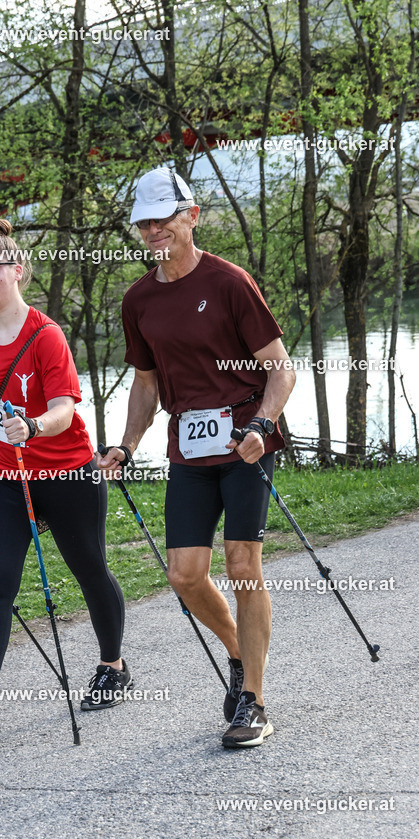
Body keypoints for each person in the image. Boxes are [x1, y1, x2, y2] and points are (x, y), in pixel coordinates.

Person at [98, 167, 296, 749]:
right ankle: (239, 653)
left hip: (244, 441)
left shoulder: (230, 281)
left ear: (192, 217)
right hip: (188, 447)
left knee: (242, 565)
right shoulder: (139, 300)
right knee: (184, 574)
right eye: (145, 224)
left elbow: (280, 368)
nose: (155, 231)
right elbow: (145, 383)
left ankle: (253, 702)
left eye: (165, 220)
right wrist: (127, 445)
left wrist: (264, 423)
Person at [0, 217, 131, 742]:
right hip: (5, 478)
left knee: (89, 568)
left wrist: (34, 425)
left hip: (66, 472)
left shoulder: (46, 336)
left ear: (18, 270)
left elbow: (64, 409)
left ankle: (113, 666)